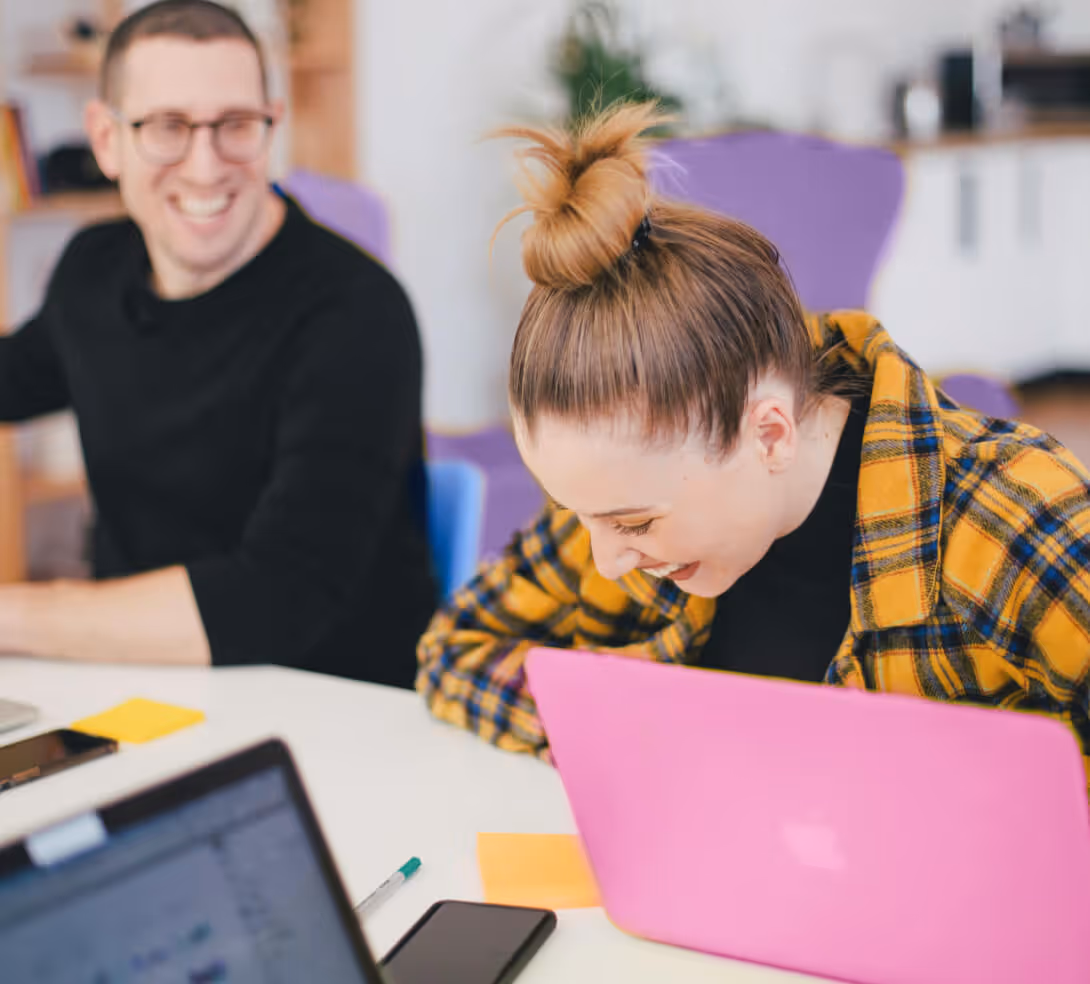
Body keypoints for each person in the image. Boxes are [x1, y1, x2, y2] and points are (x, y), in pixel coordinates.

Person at [417, 102, 1090, 784]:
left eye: (635, 523)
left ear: (769, 433)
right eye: (579, 513)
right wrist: (628, 727)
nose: (607, 560)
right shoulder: (623, 492)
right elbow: (455, 650)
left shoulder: (1010, 517)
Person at [0, 0, 436, 687]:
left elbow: (277, 598)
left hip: (333, 706)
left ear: (273, 127)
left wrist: (13, 617)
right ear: (107, 140)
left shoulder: (356, 312)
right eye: (166, 127)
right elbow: (13, 376)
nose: (205, 168)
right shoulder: (93, 269)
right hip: (138, 683)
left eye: (235, 126)